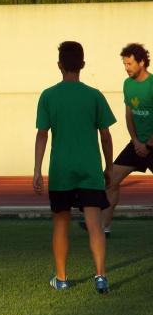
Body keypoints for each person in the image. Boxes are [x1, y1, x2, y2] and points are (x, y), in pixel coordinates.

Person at [33, 41, 116, 294]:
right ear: (82, 65)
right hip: (90, 169)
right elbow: (105, 135)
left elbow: (42, 135)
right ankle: (100, 276)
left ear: (59, 65)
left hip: (61, 171)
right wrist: (109, 167)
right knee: (95, 224)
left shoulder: (48, 95)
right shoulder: (94, 95)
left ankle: (61, 278)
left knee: (61, 223)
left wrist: (37, 170)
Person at [84, 43, 153, 236]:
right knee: (110, 180)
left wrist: (148, 145)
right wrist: (136, 142)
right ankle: (104, 226)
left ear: (141, 62)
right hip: (137, 145)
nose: (127, 68)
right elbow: (129, 115)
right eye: (124, 64)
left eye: (130, 63)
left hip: (151, 145)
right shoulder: (127, 84)